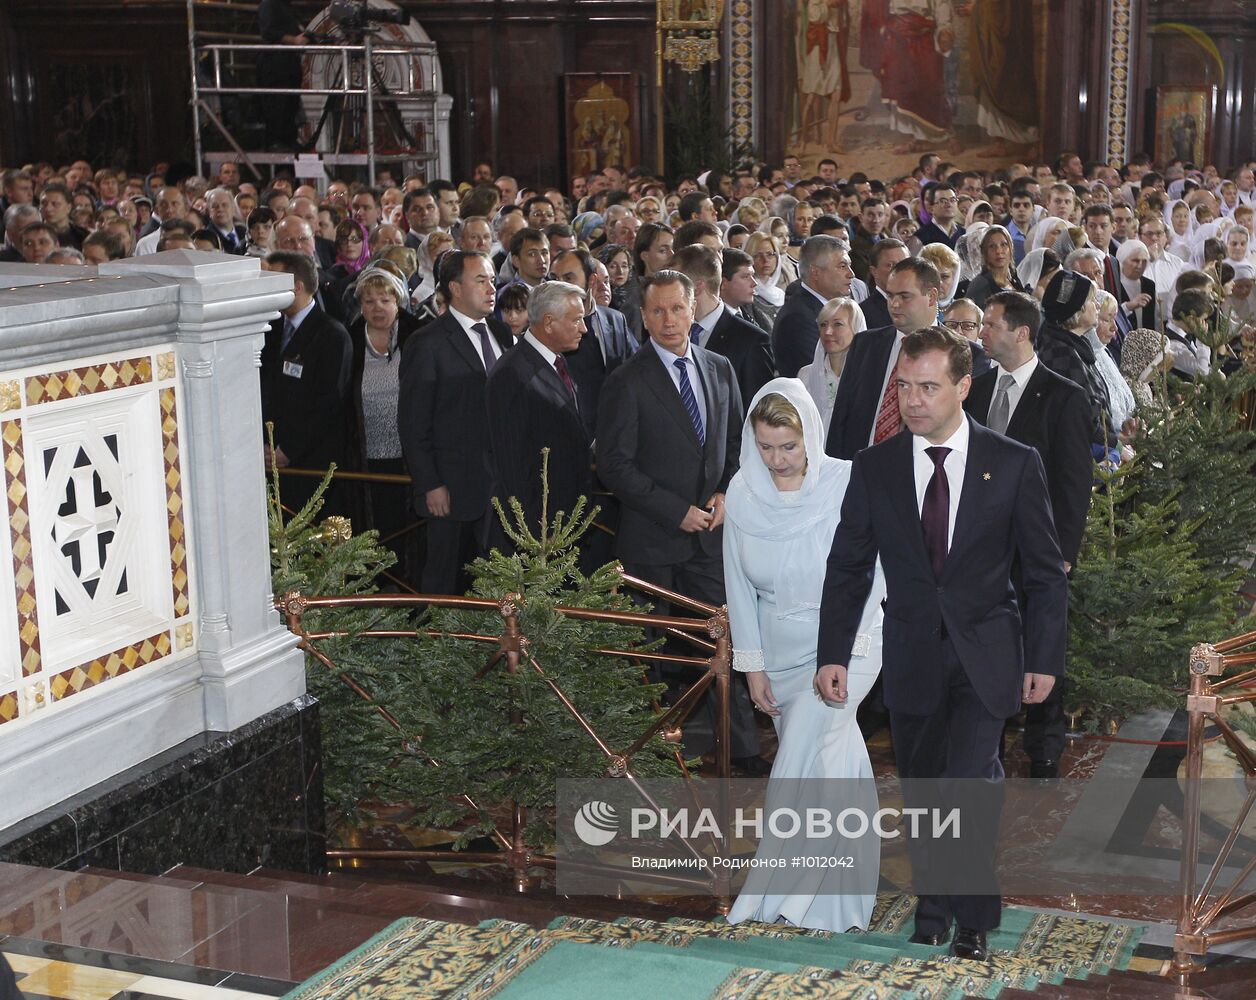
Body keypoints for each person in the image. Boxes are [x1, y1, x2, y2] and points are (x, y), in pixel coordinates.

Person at [817, 325, 1068, 961]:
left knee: (967, 786)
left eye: (928, 387)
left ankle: (975, 917)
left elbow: (1043, 571)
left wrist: (1044, 659)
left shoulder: (1013, 463)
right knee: (926, 787)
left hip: (988, 654)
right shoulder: (874, 467)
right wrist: (832, 652)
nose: (913, 400)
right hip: (912, 652)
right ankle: (933, 906)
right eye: (904, 386)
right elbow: (847, 566)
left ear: (964, 386)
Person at [724, 380, 886, 931]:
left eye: (788, 446)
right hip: (780, 649)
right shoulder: (743, 492)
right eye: (767, 446)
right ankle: (841, 897)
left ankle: (779, 894)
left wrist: (844, 651)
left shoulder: (846, 482)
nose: (777, 459)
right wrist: (752, 667)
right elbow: (737, 588)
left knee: (799, 752)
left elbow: (874, 572)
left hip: (849, 643)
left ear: (810, 435)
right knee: (834, 764)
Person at [595, 270, 765, 773]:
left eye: (677, 308)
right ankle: (643, 754)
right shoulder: (625, 379)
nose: (668, 320)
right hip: (651, 540)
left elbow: (738, 444)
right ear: (644, 318)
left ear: (694, 309)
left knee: (724, 644)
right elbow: (614, 465)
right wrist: (675, 510)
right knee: (645, 655)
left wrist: (722, 493)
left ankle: (741, 748)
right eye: (657, 311)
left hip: (712, 539)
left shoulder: (720, 367)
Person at [967, 290, 1094, 779]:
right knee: (985, 646)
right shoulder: (974, 389)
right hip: (979, 550)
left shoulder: (1063, 395)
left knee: (1041, 643)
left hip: (1037, 549)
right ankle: (988, 738)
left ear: (1020, 332)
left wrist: (1061, 555)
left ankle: (1044, 744)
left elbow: (1073, 482)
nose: (982, 333)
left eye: (991, 325)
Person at [398, 250, 514, 595]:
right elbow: (413, 422)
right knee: (446, 583)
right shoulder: (427, 342)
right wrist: (429, 483)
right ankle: (440, 648)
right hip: (452, 489)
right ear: (455, 288)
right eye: (481, 280)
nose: (492, 288)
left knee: (499, 584)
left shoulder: (500, 332)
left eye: (493, 280)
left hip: (501, 487)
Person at [486, 281, 593, 541]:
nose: (584, 328)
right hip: (538, 527)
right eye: (577, 320)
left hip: (564, 514)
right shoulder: (512, 374)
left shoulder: (554, 360)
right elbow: (512, 464)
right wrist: (534, 533)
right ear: (548, 323)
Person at [260, 251, 353, 515]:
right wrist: (267, 445)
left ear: (297, 286)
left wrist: (288, 450)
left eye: (274, 281)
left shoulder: (332, 335)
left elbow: (328, 403)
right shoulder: (271, 330)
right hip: (272, 461)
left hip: (312, 465)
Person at [345, 265, 423, 579]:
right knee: (372, 529)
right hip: (364, 458)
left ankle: (409, 592)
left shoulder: (416, 338)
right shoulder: (349, 342)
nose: (377, 308)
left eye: (385, 301)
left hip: (409, 458)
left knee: (408, 532)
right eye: (369, 301)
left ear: (398, 303)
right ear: (360, 306)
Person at [826, 256, 942, 460]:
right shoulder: (865, 344)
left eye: (905, 296)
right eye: (890, 295)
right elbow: (841, 418)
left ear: (931, 297)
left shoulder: (957, 353)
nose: (894, 304)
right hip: (860, 469)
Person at [673, 244, 775, 408]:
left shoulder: (751, 340)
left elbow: (758, 410)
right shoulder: (675, 331)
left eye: (676, 282)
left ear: (697, 287)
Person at [1036, 271, 1117, 451]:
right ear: (1076, 308)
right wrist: (1116, 445)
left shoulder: (1075, 347)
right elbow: (1081, 421)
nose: (1097, 306)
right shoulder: (1060, 355)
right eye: (1091, 300)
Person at [772, 235, 855, 378]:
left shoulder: (823, 308)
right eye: (842, 266)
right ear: (815, 272)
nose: (851, 274)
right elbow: (821, 373)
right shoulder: (798, 318)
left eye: (849, 266)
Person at [798, 296, 864, 434]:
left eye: (837, 324)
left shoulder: (869, 377)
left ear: (856, 329)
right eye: (823, 324)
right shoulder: (806, 376)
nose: (828, 332)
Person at [257, 0, 307, 151]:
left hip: (290, 61)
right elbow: (268, 32)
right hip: (275, 62)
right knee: (278, 102)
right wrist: (294, 40)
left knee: (291, 101)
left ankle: (288, 138)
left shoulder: (288, 6)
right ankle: (276, 141)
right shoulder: (269, 4)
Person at [959, 226, 1025, 309]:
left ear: (1011, 248)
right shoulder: (980, 285)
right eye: (992, 246)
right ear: (984, 252)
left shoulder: (1014, 279)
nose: (999, 251)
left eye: (1004, 244)